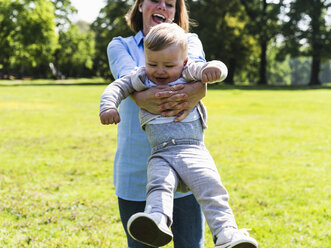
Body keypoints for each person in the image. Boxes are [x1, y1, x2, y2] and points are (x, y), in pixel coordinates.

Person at [101, 23, 258, 248]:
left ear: (183, 63)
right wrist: (108, 107)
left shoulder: (188, 71)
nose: (160, 71)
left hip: (192, 149)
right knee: (158, 186)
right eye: (152, 63)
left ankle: (227, 233)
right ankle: (157, 221)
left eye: (168, 65)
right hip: (161, 153)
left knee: (211, 187)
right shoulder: (142, 76)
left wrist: (215, 71)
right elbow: (117, 87)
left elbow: (211, 67)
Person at [107, 1, 207, 247]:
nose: (162, 6)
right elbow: (129, 79)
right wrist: (189, 90)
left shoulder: (190, 41)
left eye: (170, 4)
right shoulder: (121, 46)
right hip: (136, 174)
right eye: (155, 0)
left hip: (186, 170)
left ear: (175, 12)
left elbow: (198, 76)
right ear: (141, 6)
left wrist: (199, 88)